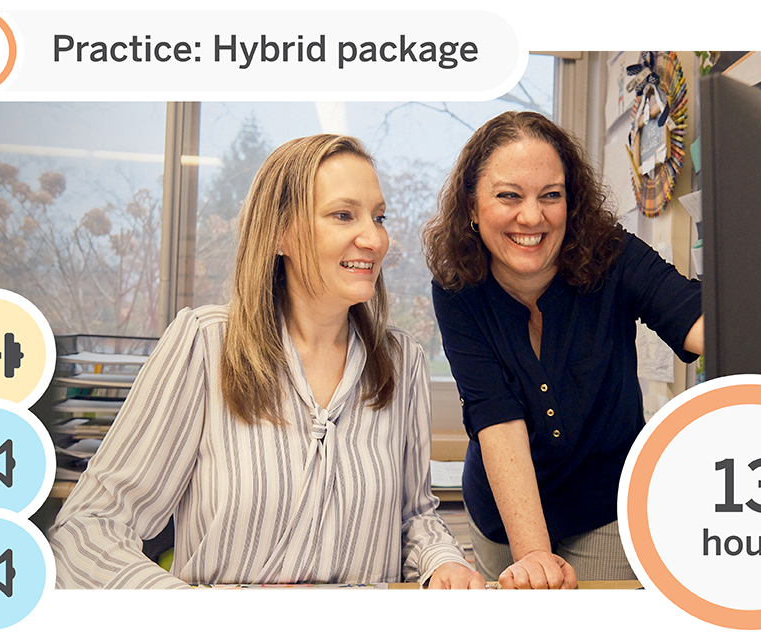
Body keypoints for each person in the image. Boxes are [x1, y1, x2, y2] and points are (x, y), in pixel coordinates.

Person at [49, 134, 485, 597]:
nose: (374, 238)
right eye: (344, 215)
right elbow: (87, 529)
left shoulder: (403, 361)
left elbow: (413, 517)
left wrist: (443, 561)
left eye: (378, 217)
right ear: (281, 232)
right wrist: (177, 603)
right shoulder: (204, 344)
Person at [422, 111, 703, 596]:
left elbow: (697, 319)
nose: (532, 217)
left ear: (571, 203)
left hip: (605, 506)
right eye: (509, 195)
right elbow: (496, 418)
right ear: (472, 205)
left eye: (550, 195)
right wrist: (532, 556)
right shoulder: (457, 286)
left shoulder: (613, 254)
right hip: (502, 509)